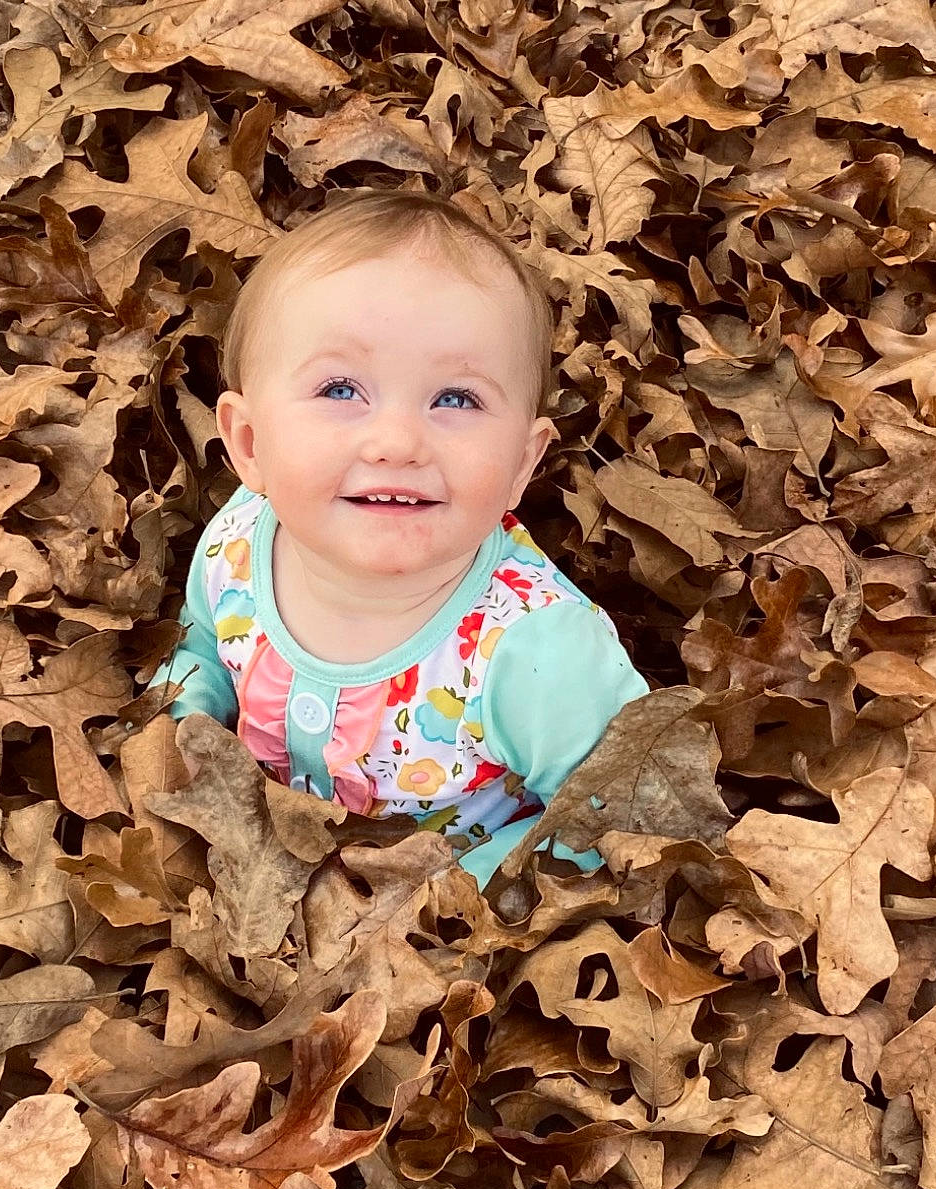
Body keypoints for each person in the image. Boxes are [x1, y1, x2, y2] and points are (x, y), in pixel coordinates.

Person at [152, 188, 647, 889]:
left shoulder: (539, 655)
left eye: (456, 399)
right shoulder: (238, 542)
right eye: (340, 389)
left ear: (520, 465)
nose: (396, 442)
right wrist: (185, 731)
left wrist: (453, 898)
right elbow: (203, 640)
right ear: (250, 443)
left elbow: (620, 811)